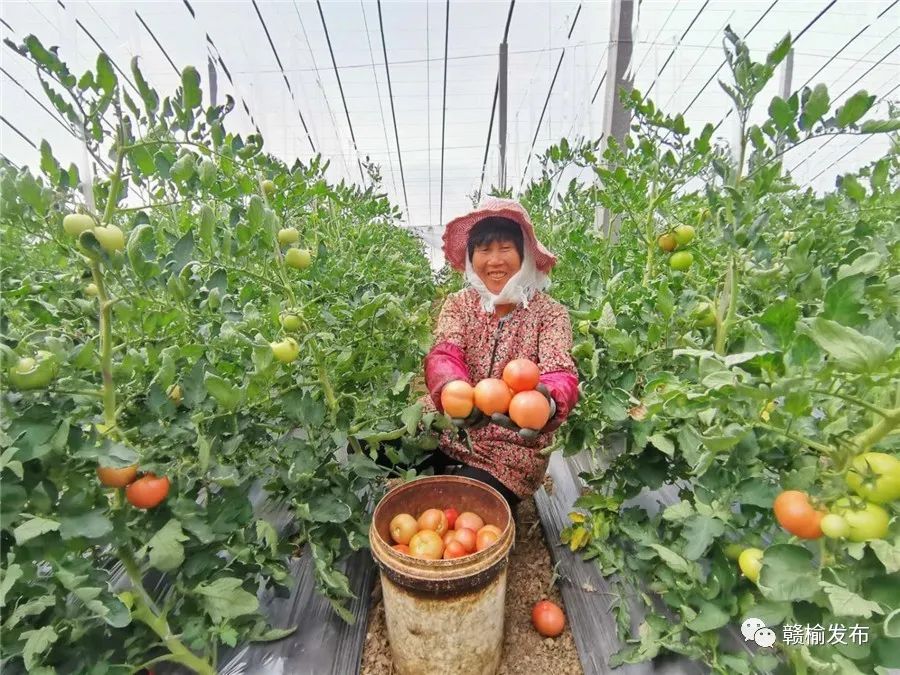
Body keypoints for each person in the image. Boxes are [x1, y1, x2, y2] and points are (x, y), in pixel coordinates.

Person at [419, 196, 580, 515]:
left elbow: (561, 373)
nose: (494, 261)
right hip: (450, 429)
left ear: (525, 256)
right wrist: (452, 389)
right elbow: (444, 353)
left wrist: (546, 403)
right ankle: (448, 471)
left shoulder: (549, 315)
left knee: (463, 512)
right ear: (470, 257)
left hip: (512, 452)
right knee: (376, 448)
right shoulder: (459, 305)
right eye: (484, 250)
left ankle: (472, 483)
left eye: (505, 248)